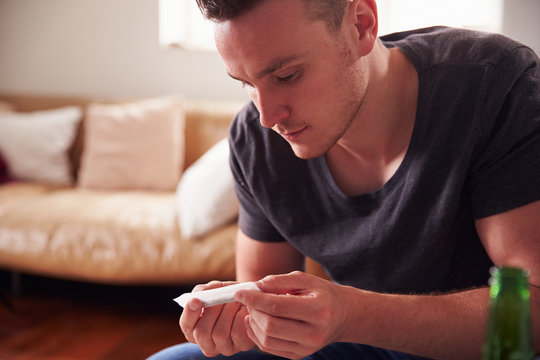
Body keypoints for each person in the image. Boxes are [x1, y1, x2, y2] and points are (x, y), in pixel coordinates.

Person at [148, 0, 540, 359]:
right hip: (356, 345)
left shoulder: (494, 85)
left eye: (286, 75)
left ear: (361, 25)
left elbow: (535, 309)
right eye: (247, 84)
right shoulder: (255, 139)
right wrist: (240, 319)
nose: (267, 116)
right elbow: (260, 304)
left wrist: (353, 314)